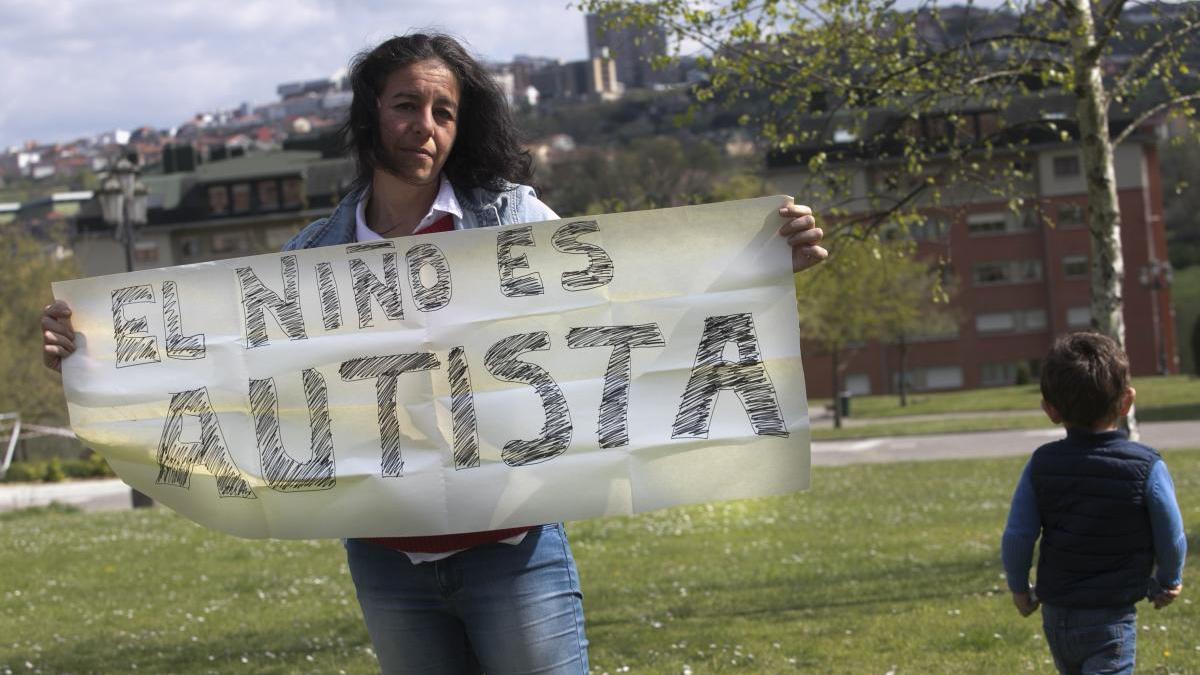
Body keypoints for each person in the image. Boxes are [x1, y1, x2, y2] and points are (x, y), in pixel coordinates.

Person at [41, 32, 827, 675]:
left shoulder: (509, 219)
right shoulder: (312, 256)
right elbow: (227, 368)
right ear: (368, 115)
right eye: (407, 105)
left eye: (444, 112)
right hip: (387, 563)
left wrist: (755, 267)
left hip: (514, 549)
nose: (425, 126)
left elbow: (618, 309)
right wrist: (96, 355)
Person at [1001, 332, 1186, 675]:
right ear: (1126, 402)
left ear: (1050, 409)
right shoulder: (1146, 465)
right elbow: (1170, 532)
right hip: (1111, 616)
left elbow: (1018, 534)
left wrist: (1019, 588)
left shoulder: (1041, 464)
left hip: (1057, 615)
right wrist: (1169, 578)